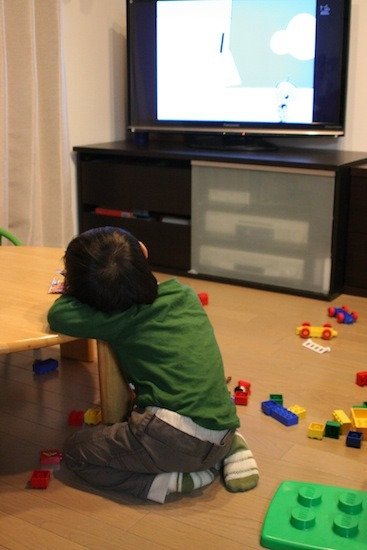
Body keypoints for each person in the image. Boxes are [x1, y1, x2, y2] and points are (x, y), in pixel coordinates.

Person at [47, 227, 259, 503]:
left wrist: (75, 289)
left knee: (76, 452)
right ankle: (229, 447)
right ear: (143, 255)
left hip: (171, 438)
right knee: (193, 401)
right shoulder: (184, 294)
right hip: (224, 422)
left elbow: (58, 315)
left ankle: (170, 482)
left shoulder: (116, 317)